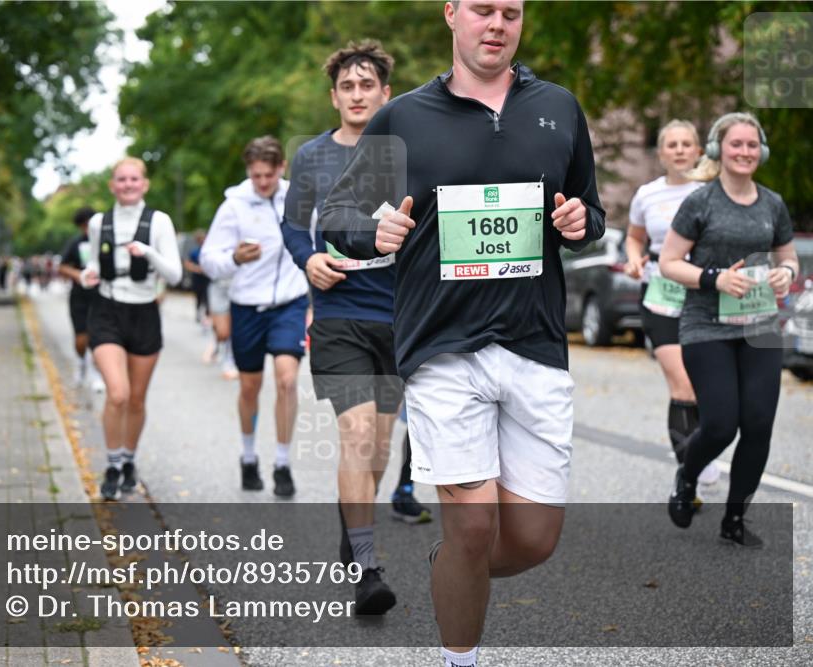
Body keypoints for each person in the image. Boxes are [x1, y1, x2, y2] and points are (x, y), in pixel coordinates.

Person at [320, 2, 605, 664]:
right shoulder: (404, 118)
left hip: (535, 343)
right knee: (474, 523)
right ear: (452, 13)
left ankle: (452, 562)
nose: (496, 24)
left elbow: (590, 209)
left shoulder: (559, 108)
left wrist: (580, 223)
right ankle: (460, 649)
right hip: (442, 345)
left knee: (533, 539)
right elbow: (339, 215)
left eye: (511, 12)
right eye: (482, 9)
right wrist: (373, 231)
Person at [280, 39, 426, 615]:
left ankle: (353, 526)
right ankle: (367, 569)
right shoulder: (312, 156)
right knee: (358, 435)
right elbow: (294, 226)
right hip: (339, 313)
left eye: (368, 85)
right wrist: (308, 258)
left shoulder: (408, 154)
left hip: (397, 314)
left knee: (381, 446)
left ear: (386, 93)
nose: (358, 94)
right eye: (347, 86)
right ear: (334, 96)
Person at [661, 112, 798, 548]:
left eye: (752, 144)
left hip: (760, 326)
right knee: (721, 424)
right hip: (706, 325)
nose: (744, 152)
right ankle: (687, 477)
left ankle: (734, 519)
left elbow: (788, 257)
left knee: (758, 424)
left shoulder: (772, 204)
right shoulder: (701, 202)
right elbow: (669, 262)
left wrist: (785, 274)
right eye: (736, 144)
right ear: (718, 150)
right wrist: (714, 278)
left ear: (762, 151)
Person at [200, 136, 308, 497]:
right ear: (249, 171)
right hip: (246, 306)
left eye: (268, 175)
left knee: (287, 380)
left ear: (281, 168)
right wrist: (234, 258)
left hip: (290, 302)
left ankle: (282, 463)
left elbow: (320, 239)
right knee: (250, 387)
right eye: (256, 175)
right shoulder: (234, 206)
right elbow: (208, 260)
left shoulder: (298, 197)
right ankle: (248, 457)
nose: (262, 182)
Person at [79, 157, 183, 500]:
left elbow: (175, 275)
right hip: (107, 311)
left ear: (144, 184)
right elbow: (95, 263)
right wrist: (88, 274)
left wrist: (148, 252)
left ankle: (128, 461)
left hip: (144, 313)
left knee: (136, 400)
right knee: (118, 394)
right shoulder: (99, 222)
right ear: (112, 185)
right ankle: (112, 464)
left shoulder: (159, 221)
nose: (127, 185)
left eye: (134, 179)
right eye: (121, 179)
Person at [625, 120, 719, 488]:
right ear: (661, 153)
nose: (679, 150)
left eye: (686, 144)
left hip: (703, 298)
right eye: (672, 144)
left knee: (705, 387)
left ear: (698, 151)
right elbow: (635, 237)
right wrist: (634, 259)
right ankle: (691, 471)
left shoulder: (712, 193)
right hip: (660, 297)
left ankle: (693, 461)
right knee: (682, 385)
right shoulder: (647, 194)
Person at [58, 206, 104, 389]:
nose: (86, 229)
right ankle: (81, 363)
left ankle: (97, 373)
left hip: (101, 295)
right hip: (80, 296)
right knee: (81, 338)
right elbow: (62, 266)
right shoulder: (75, 243)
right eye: (83, 226)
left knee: (98, 337)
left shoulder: (105, 242)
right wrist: (78, 275)